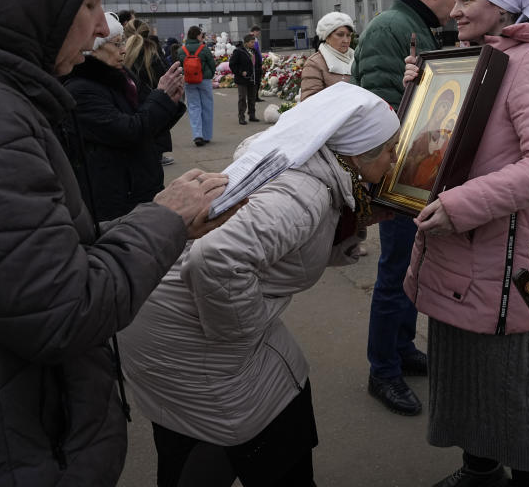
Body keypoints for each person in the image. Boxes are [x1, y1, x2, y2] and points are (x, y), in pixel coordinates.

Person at [0, 0, 238, 487]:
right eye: (91, 3)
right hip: (21, 448)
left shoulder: (4, 101)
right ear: (31, 1)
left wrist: (160, 223)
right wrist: (165, 217)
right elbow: (61, 309)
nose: (101, 29)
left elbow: (27, 258)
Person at [118, 81, 400, 487]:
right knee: (273, 412)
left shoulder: (304, 163)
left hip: (164, 316)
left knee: (199, 429)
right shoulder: (304, 191)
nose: (393, 162)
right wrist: (240, 337)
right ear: (357, 152)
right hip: (185, 325)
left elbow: (285, 247)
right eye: (389, 150)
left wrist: (352, 228)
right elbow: (216, 259)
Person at [402, 0, 529, 487]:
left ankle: (525, 480)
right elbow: (443, 146)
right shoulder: (471, 56)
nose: (453, 11)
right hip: (455, 249)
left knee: (504, 384)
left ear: (502, 7)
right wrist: (418, 93)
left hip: (493, 251)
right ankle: (479, 470)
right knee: (460, 373)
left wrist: (459, 206)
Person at [352, 0, 459, 416]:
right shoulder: (390, 27)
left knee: (413, 269)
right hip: (401, 174)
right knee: (395, 271)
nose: (458, 5)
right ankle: (383, 370)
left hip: (422, 170)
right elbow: (379, 109)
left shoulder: (419, 27)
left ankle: (402, 349)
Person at [61, 12, 186, 221]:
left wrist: (169, 101)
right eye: (117, 44)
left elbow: (149, 121)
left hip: (139, 183)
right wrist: (161, 97)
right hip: (116, 195)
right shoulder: (81, 90)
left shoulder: (121, 77)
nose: (123, 50)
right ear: (93, 48)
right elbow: (130, 131)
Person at [125, 18, 184, 166]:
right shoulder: (153, 54)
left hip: (128, 117)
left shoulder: (121, 56)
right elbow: (166, 77)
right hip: (152, 115)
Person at [398, 87, 456, 190]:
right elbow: (406, 157)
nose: (442, 113)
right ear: (435, 107)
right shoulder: (420, 131)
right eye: (442, 107)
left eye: (446, 110)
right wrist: (415, 161)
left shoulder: (441, 135)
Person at [300, 11, 355, 101]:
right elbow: (309, 101)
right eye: (340, 35)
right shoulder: (314, 64)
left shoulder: (357, 58)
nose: (346, 40)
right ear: (327, 36)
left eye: (348, 35)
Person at [178, 25, 218, 146]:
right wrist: (209, 75)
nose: (202, 37)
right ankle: (206, 136)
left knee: (194, 108)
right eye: (201, 35)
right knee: (207, 107)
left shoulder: (181, 50)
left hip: (190, 81)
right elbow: (212, 64)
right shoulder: (204, 49)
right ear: (197, 35)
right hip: (204, 80)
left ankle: (197, 135)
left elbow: (180, 66)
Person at [229, 33, 259, 124]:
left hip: (252, 78)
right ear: (246, 43)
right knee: (242, 98)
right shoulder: (238, 51)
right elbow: (232, 65)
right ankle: (241, 117)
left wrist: (258, 72)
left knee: (252, 97)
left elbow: (257, 64)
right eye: (251, 42)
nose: (253, 44)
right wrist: (241, 72)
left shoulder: (254, 51)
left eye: (254, 42)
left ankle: (252, 115)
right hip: (242, 79)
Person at [250, 24, 265, 101]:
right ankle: (254, 97)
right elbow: (254, 51)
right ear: (255, 31)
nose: (258, 34)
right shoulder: (251, 39)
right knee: (255, 80)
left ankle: (255, 96)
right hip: (254, 63)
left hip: (257, 62)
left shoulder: (255, 39)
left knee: (257, 80)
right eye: (258, 33)